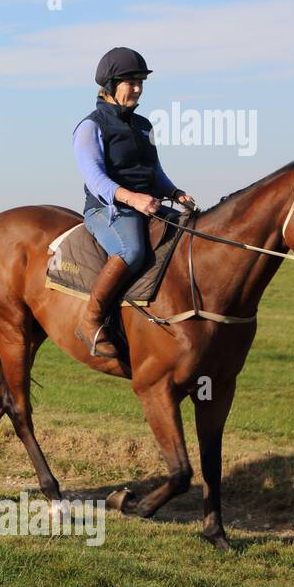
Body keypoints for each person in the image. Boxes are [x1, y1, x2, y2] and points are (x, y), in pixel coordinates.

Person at [73, 47, 195, 358]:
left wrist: (175, 193)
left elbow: (155, 172)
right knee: (133, 250)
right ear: (110, 86)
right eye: (130, 82)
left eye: (141, 82)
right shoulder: (91, 126)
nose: (138, 89)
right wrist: (133, 198)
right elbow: (95, 179)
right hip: (108, 210)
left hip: (147, 204)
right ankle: (91, 320)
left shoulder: (144, 126)